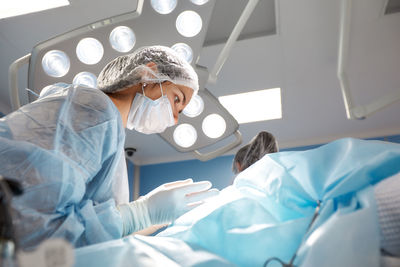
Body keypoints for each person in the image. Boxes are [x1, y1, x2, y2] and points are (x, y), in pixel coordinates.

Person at [0, 45, 218, 249]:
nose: (175, 118)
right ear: (149, 75)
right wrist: (141, 213)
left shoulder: (109, 132)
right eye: (176, 99)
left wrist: (150, 217)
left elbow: (95, 240)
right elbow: (30, 216)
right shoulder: (93, 111)